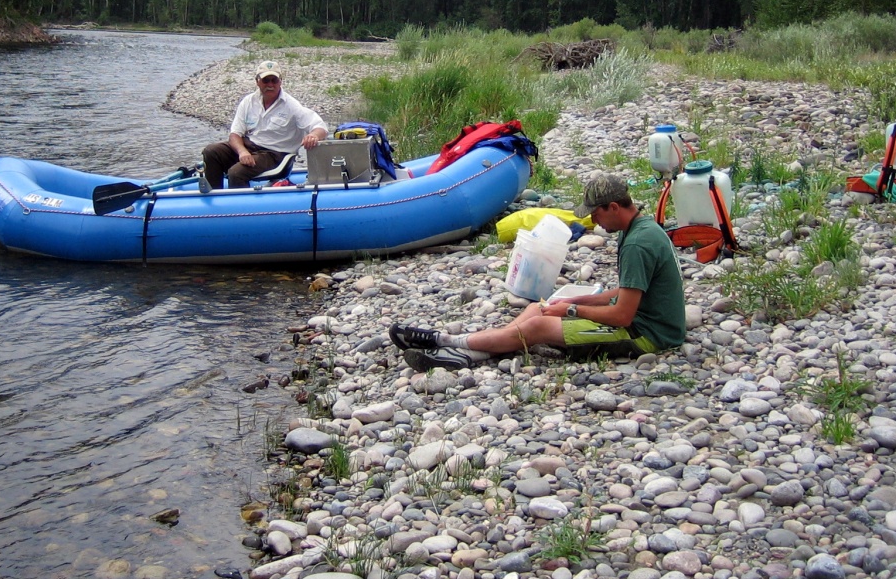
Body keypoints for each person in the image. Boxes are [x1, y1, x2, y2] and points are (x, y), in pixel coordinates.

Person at [390, 172, 687, 371]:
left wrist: (572, 311)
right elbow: (625, 293)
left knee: (536, 329)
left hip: (648, 334)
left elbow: (622, 315)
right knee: (539, 309)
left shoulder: (638, 243)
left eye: (596, 214)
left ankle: (446, 342)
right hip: (641, 318)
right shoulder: (636, 228)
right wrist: (574, 303)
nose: (595, 222)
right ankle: (470, 350)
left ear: (613, 207)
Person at [201, 60, 329, 190]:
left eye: (274, 80)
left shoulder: (291, 105)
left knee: (236, 173)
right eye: (266, 80)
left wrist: (313, 136)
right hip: (250, 147)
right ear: (257, 81)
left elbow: (320, 127)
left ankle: (240, 208)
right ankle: (214, 197)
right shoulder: (248, 102)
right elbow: (235, 134)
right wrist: (242, 152)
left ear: (280, 81)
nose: (270, 85)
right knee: (211, 151)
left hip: (275, 154)